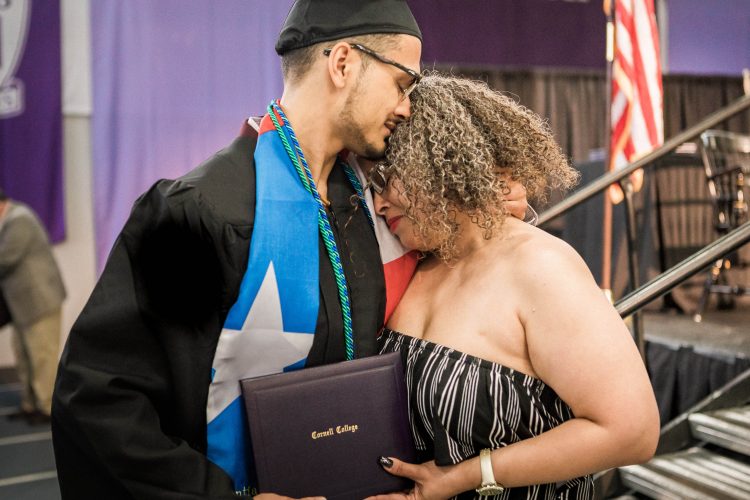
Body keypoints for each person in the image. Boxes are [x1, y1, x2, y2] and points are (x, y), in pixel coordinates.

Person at [51, 2, 532, 499]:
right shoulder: (203, 212)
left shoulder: (373, 204)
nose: (407, 106)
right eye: (401, 83)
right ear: (343, 63)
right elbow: (99, 401)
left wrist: (487, 207)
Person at [363, 74, 660, 499]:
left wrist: (467, 476)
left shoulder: (541, 267)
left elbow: (633, 431)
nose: (379, 202)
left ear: (439, 166)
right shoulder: (414, 264)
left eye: (389, 178)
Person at [0, 188, 66, 425]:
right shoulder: (8, 220)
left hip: (39, 301)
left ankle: (46, 408)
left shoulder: (19, 219)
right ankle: (30, 404)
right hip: (21, 305)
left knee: (41, 356)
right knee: (23, 356)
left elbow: (5, 258)